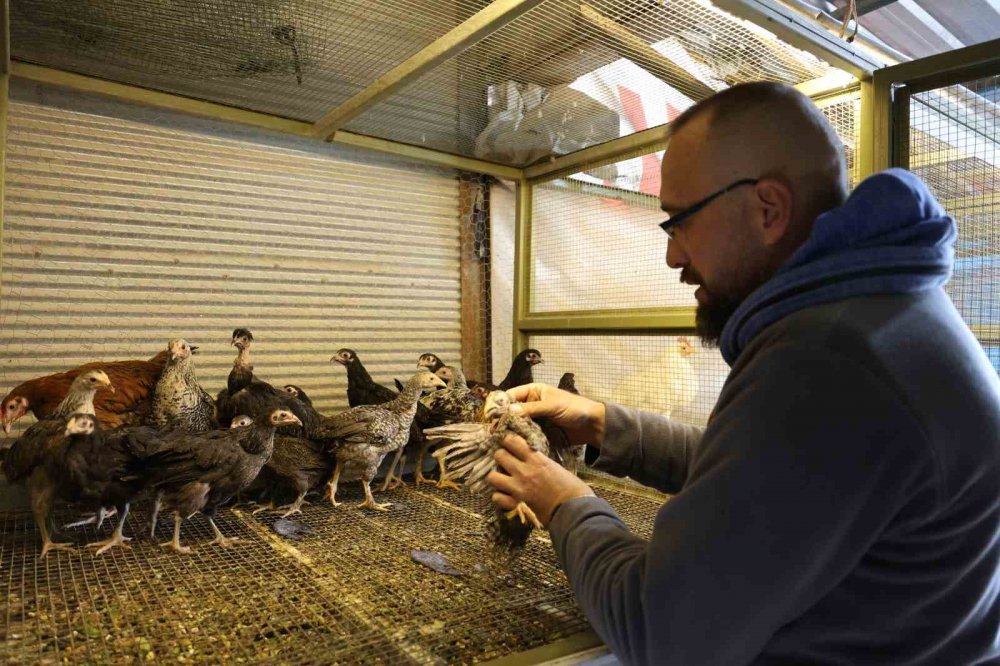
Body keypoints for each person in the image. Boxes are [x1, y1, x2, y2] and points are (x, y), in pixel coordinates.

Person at [487, 82, 1000, 665]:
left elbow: (660, 634)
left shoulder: (825, 359)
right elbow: (766, 477)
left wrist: (562, 502)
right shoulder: (880, 315)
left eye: (678, 221)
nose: (672, 256)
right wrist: (607, 425)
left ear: (768, 209)